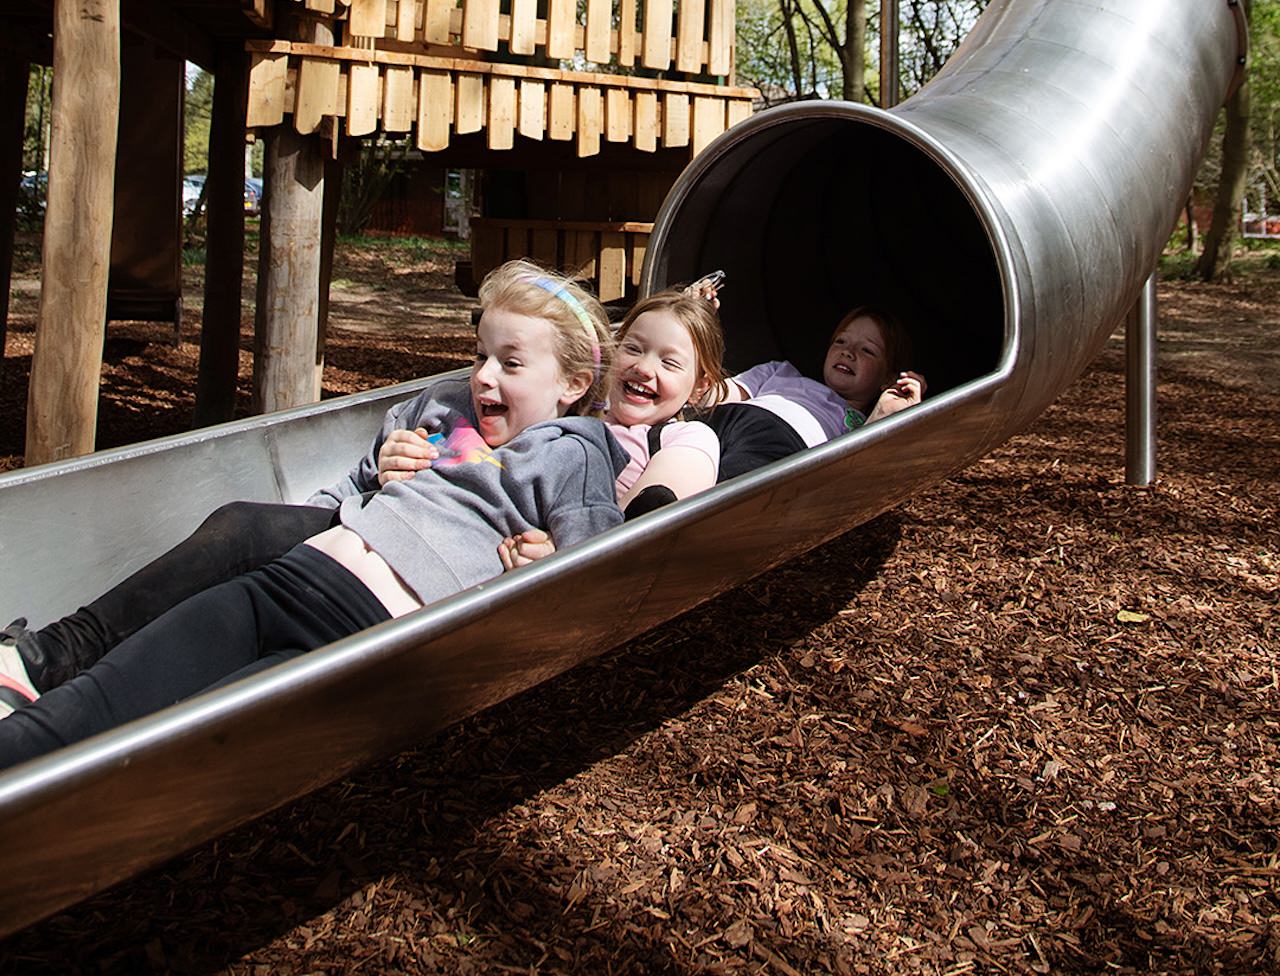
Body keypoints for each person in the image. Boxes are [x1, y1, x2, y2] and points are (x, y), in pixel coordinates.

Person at [0, 261, 625, 766]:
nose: (483, 376)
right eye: (480, 353)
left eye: (511, 364)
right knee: (93, 703)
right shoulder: (441, 403)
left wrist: (545, 562)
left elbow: (598, 579)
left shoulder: (572, 453)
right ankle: (31, 680)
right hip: (281, 581)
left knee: (164, 751)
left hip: (360, 633)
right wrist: (382, 466)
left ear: (571, 383)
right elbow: (341, 492)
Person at [495, 287, 728, 566]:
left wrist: (564, 542)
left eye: (669, 363)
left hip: (575, 545)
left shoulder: (686, 437)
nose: (643, 367)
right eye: (633, 348)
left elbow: (653, 508)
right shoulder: (578, 402)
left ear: (699, 388)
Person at [702, 303, 927, 481]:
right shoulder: (781, 372)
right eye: (841, 341)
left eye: (867, 350)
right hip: (722, 418)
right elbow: (710, 395)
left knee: (733, 480)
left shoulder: (859, 425)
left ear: (887, 378)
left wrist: (892, 411)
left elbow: (854, 475)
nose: (848, 352)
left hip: (779, 440)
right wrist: (697, 329)